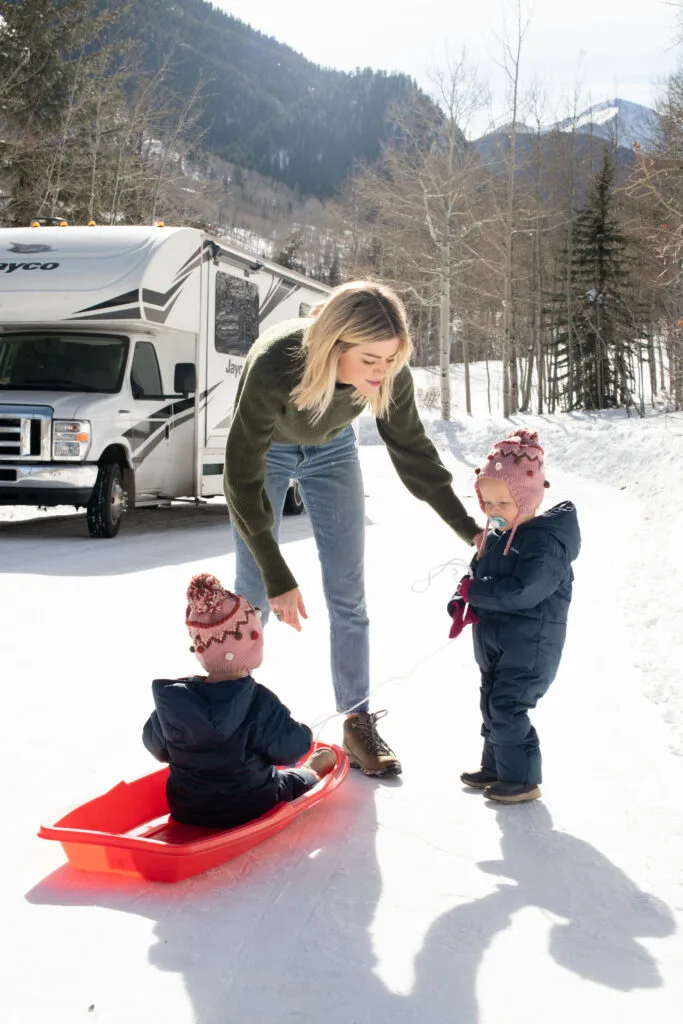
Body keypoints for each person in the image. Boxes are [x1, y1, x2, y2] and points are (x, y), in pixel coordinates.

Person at [224, 280, 483, 777]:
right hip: (269, 450)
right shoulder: (276, 366)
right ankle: (229, 721)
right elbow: (240, 478)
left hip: (333, 448)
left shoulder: (389, 373)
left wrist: (467, 528)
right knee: (254, 592)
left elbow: (414, 452)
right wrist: (278, 575)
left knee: (348, 594)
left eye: (391, 359)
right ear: (335, 345)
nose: (382, 372)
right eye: (370, 360)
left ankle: (357, 722)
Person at [447, 428, 580, 804]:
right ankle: (498, 767)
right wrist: (462, 599)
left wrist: (479, 594)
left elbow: (525, 592)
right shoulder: (493, 536)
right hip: (495, 641)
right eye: (487, 503)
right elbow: (476, 577)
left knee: (507, 706)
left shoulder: (545, 543)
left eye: (502, 504)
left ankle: (522, 779)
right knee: (491, 701)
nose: (492, 512)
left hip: (531, 645)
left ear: (527, 498)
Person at [142, 573, 336, 830]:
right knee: (290, 779)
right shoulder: (259, 702)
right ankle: (311, 772)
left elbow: (155, 746)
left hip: (187, 808)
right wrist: (303, 733)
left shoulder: (176, 703)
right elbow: (290, 750)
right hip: (252, 805)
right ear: (252, 639)